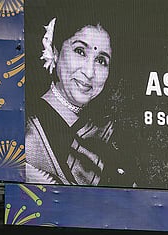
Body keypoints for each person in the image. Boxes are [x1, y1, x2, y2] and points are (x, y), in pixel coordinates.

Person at [26, 15, 123, 186]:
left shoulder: (109, 138)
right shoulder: (22, 130)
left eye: (101, 60)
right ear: (54, 51)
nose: (89, 72)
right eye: (79, 51)